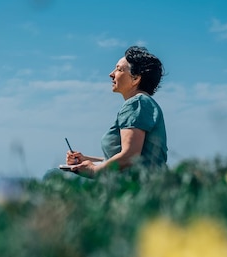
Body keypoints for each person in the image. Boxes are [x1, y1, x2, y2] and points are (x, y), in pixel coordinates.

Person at [66, 46, 167, 178]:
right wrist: (87, 160)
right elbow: (133, 158)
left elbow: (129, 156)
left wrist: (93, 171)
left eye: (119, 69)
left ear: (135, 79)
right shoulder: (144, 103)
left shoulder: (136, 104)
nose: (111, 74)